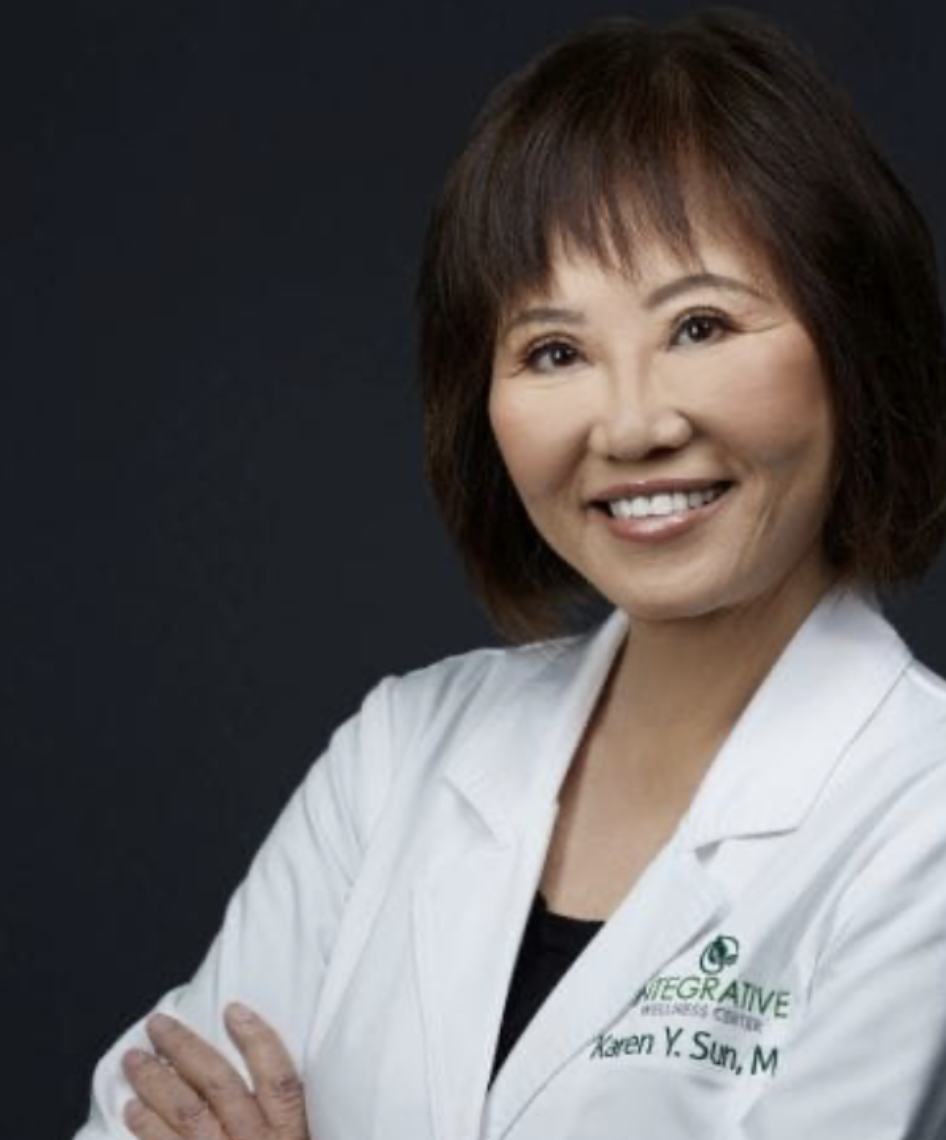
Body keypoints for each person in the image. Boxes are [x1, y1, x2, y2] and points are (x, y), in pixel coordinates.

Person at [74, 7, 946, 1139]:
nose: (630, 426)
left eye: (698, 326)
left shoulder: (921, 815)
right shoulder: (401, 753)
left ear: (852, 338)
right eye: (554, 351)